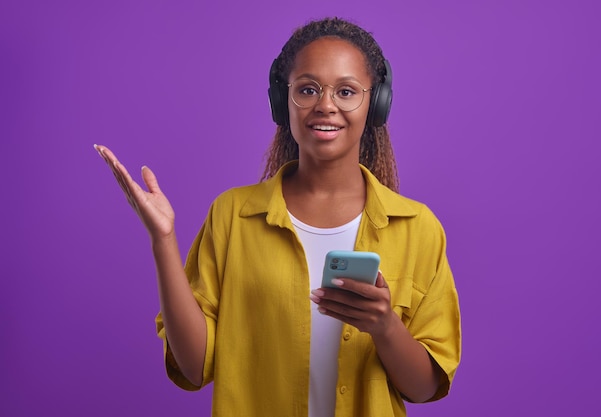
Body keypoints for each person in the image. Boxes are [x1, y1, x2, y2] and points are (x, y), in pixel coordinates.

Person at [95, 17, 461, 417]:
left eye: (346, 91)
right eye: (307, 89)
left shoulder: (418, 228)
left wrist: (385, 326)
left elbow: (425, 389)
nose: (326, 105)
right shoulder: (233, 216)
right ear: (281, 101)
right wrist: (162, 239)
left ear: (375, 104)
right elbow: (194, 366)